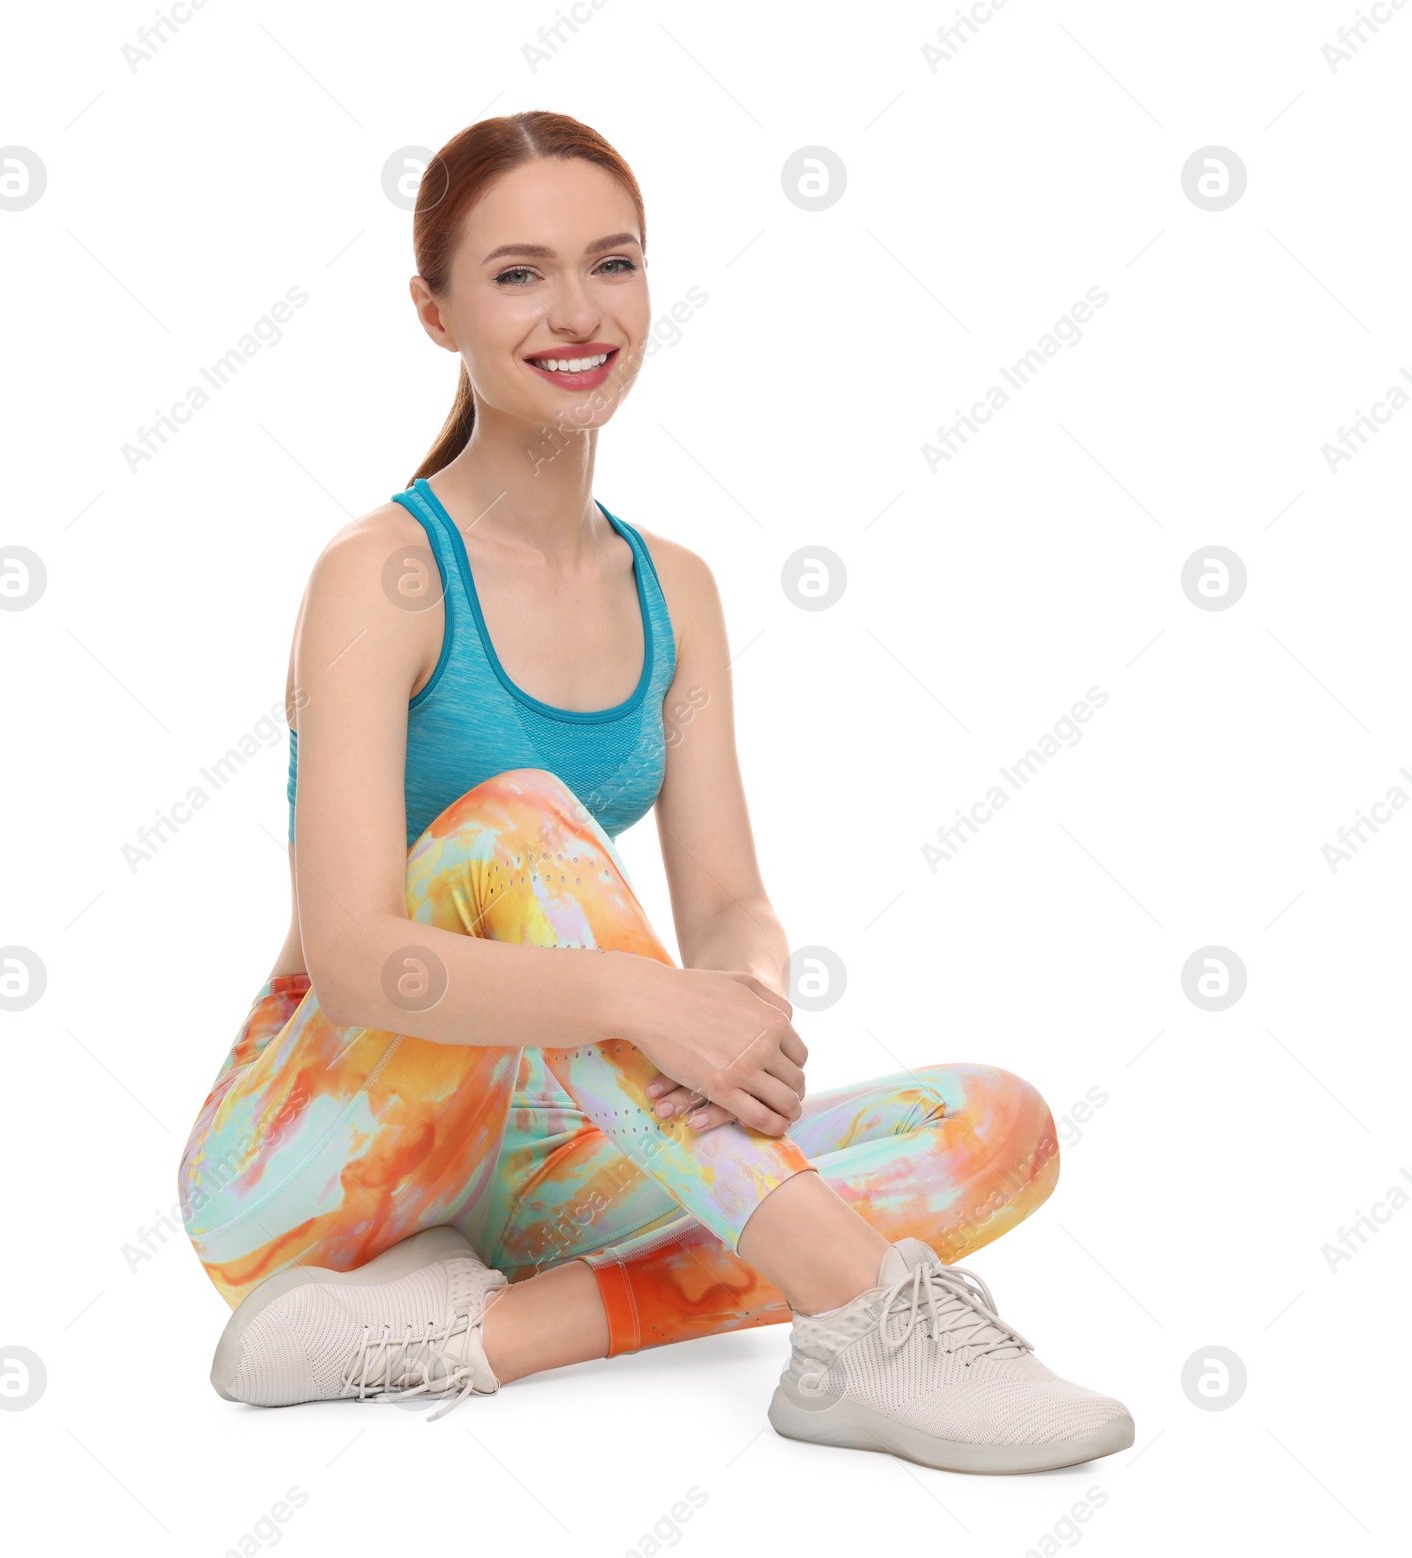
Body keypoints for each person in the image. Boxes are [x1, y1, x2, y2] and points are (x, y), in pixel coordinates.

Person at [176, 109, 1133, 1475]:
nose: (577, 310)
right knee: (517, 822)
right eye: (517, 274)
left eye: (611, 263)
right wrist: (650, 1000)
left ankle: (471, 1335)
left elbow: (730, 897)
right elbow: (353, 956)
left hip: (545, 1150)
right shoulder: (379, 573)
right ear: (433, 310)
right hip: (313, 1159)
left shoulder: (672, 585)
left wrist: (737, 996)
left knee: (996, 1127)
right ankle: (866, 1309)